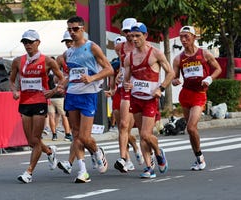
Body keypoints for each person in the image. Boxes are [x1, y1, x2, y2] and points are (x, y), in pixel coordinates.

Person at [60, 16, 113, 183]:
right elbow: (71, 75)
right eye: (70, 29)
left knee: (84, 137)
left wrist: (92, 78)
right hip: (72, 94)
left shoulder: (92, 47)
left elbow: (109, 69)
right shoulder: (68, 53)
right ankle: (82, 170)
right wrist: (61, 85)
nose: (72, 33)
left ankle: (97, 152)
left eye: (75, 29)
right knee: (75, 135)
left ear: (82, 29)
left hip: (88, 94)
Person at [9, 29, 65, 183]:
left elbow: (62, 79)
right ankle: (49, 151)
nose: (27, 45)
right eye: (25, 42)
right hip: (25, 103)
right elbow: (12, 81)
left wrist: (53, 91)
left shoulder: (47, 61)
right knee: (31, 141)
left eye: (30, 42)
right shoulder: (17, 61)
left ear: (38, 43)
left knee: (35, 138)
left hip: (40, 101)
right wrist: (14, 91)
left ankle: (29, 172)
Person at [123, 22, 175, 178]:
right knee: (141, 134)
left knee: (146, 134)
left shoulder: (156, 53)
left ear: (145, 36)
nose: (134, 39)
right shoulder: (129, 57)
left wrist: (161, 88)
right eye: (132, 36)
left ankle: (158, 153)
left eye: (138, 36)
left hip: (150, 99)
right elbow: (127, 80)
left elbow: (171, 73)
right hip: (136, 98)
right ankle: (148, 167)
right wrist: (127, 84)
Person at [172, 26, 222, 171]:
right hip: (185, 94)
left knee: (191, 127)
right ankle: (198, 157)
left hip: (199, 94)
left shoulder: (204, 54)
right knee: (190, 130)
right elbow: (175, 77)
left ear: (194, 37)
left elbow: (218, 68)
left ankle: (200, 157)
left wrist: (209, 79)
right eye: (181, 37)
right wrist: (175, 80)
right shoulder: (178, 58)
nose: (183, 39)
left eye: (186, 36)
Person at [106, 18, 144, 173]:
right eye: (126, 32)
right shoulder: (120, 48)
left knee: (143, 132)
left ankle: (144, 151)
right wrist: (117, 82)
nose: (129, 35)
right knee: (122, 125)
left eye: (131, 32)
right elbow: (120, 68)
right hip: (123, 90)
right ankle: (125, 159)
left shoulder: (145, 49)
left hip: (140, 91)